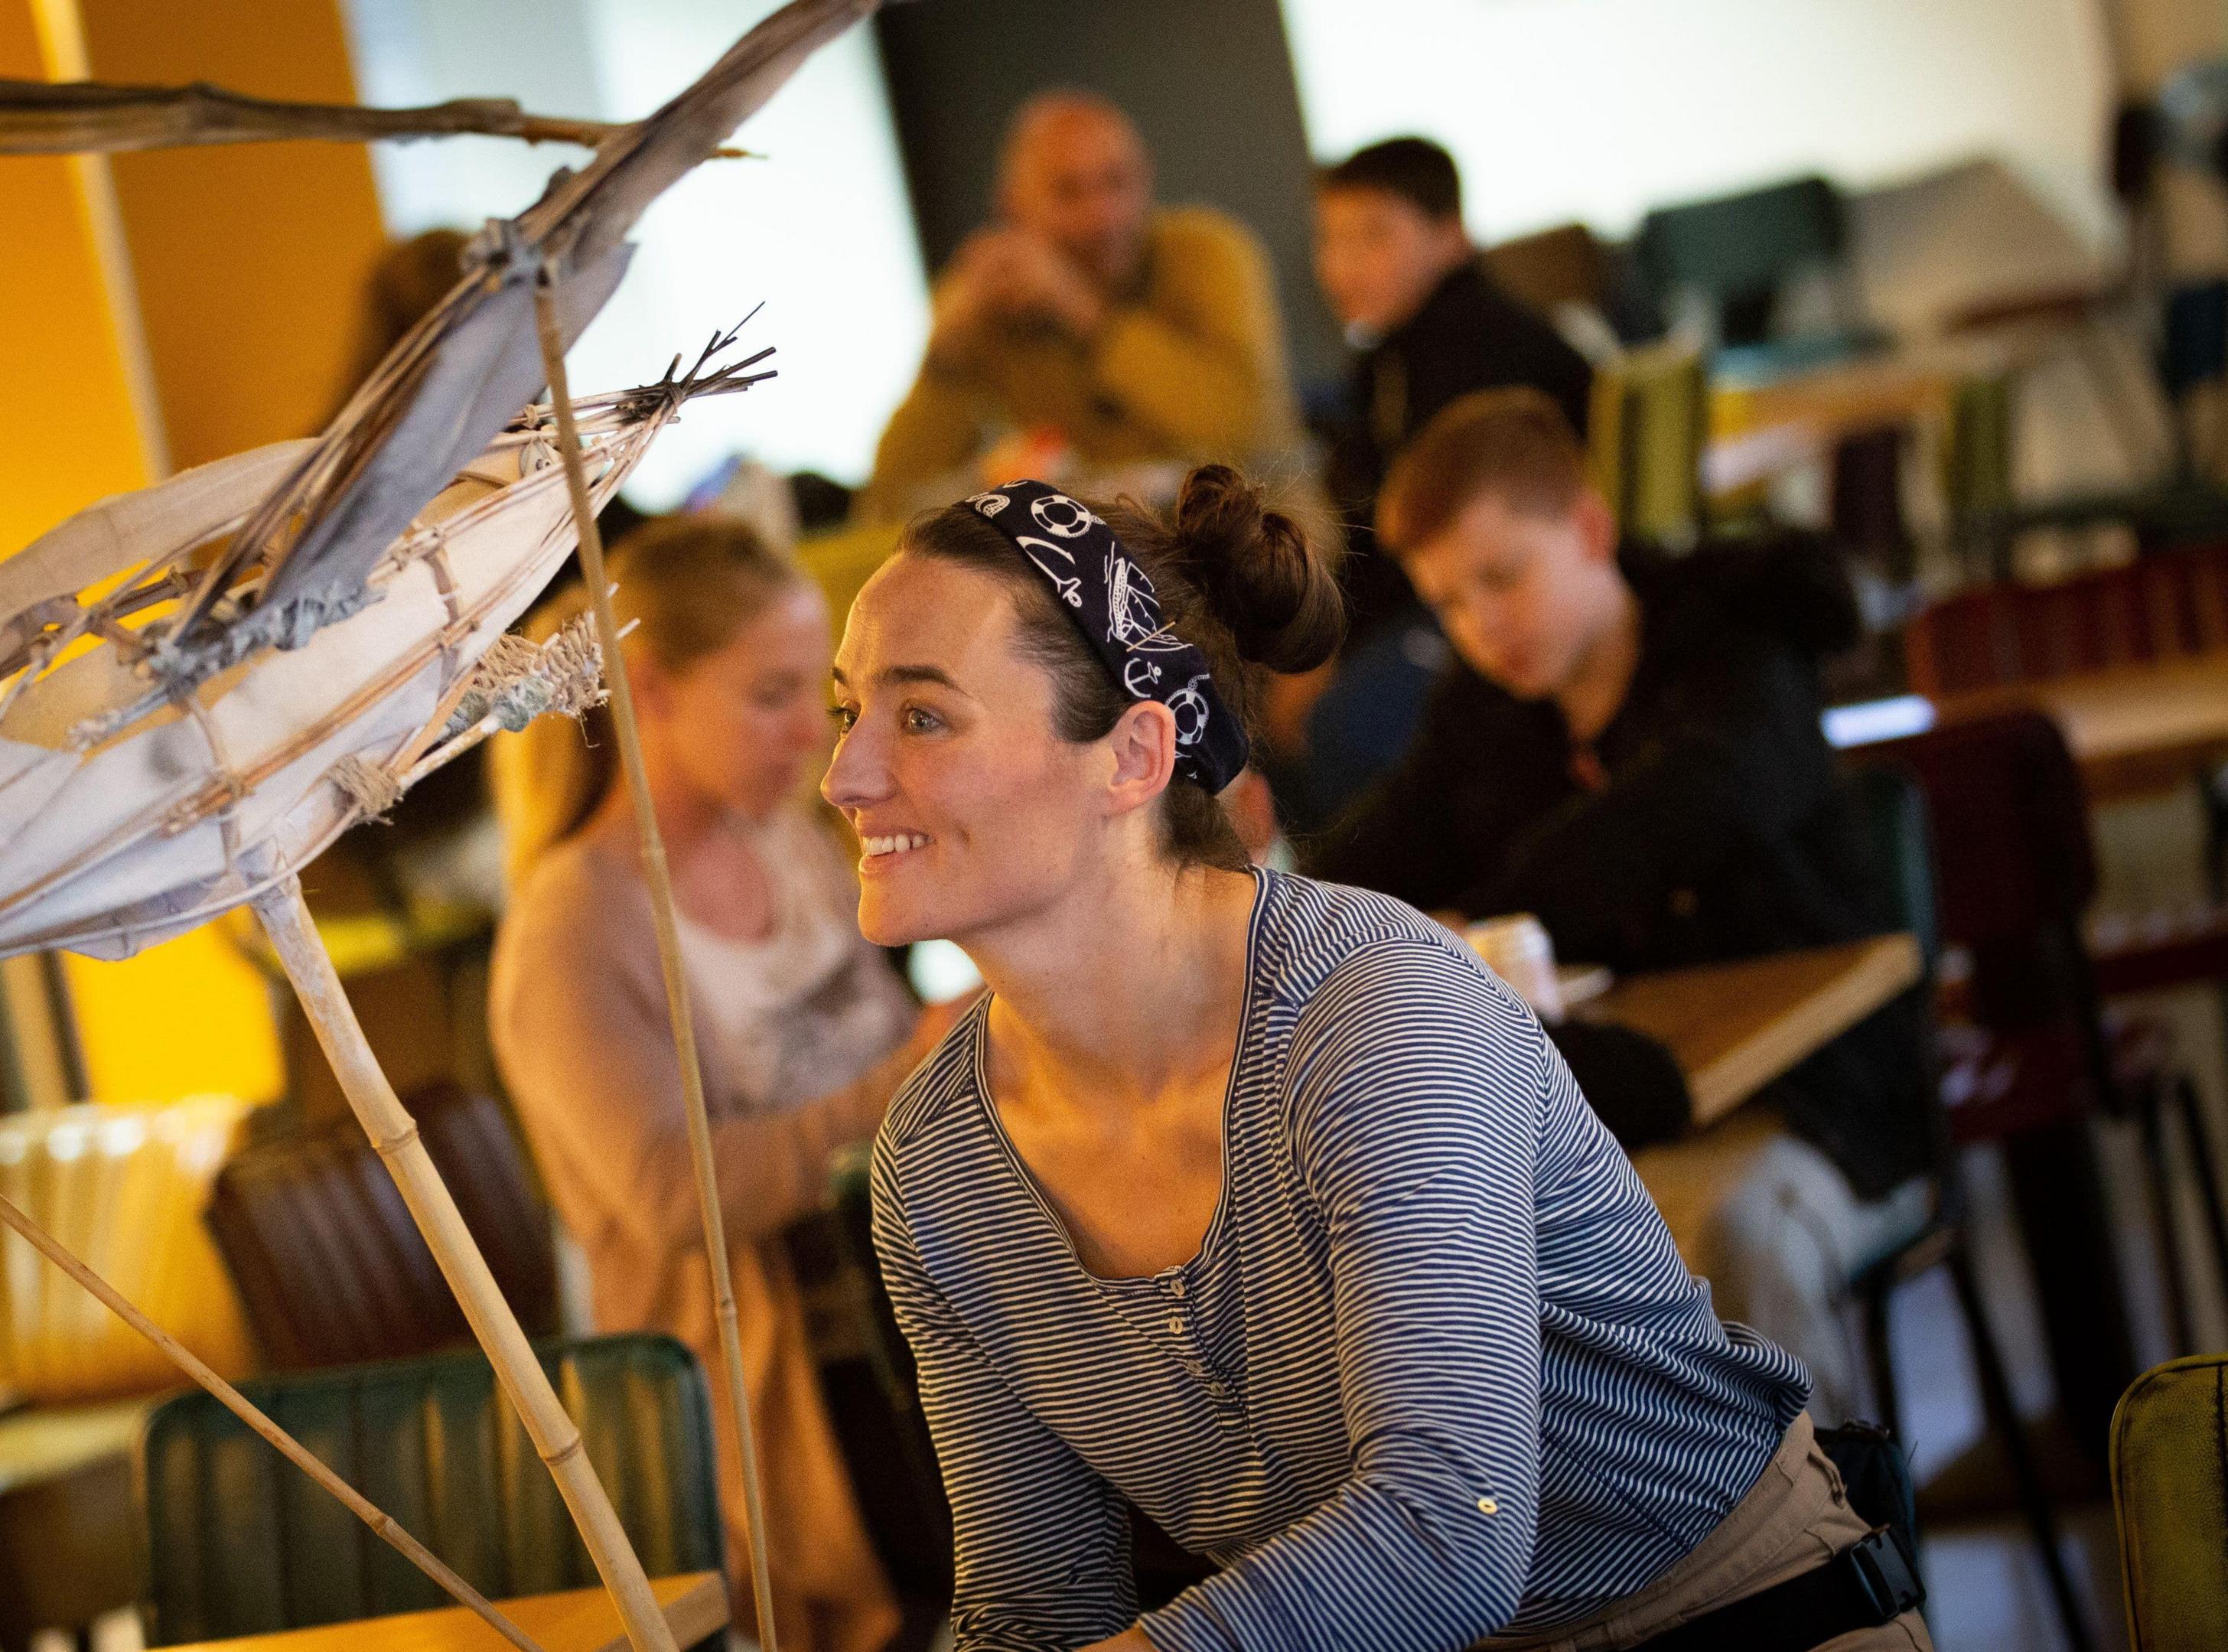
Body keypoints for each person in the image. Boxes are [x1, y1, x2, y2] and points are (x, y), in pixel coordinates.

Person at [826, 467, 1927, 1650]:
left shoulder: (1371, 1016)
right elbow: (1035, 1606)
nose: (844, 778)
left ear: (1134, 758)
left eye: (922, 715)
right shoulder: (935, 1166)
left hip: (1734, 1615)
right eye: (847, 713)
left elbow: (1450, 1525)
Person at [1308, 389, 1940, 1422]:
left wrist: (1481, 920)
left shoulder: (1741, 645)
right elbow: (1377, 858)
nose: (1484, 627)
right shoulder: (1486, 713)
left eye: (1504, 577)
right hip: (1620, 1104)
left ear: (1592, 529)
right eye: (1452, 605)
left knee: (1729, 1231)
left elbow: (1686, 807)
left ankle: (1824, 1558)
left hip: (1822, 1098)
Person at [488, 517, 950, 1652]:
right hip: (779, 1392)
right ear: (650, 690)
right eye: (773, 695)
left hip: (893, 1315)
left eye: (823, 695)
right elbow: (677, 1198)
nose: (815, 734)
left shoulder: (787, 840)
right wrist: (914, 1068)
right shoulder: (575, 929)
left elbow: (902, 1067)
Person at [1278, 137, 1599, 829]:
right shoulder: (1390, 353)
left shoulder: (1472, 349)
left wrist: (1324, 658)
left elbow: (1416, 539)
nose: (1343, 265)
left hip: (1507, 591)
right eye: (1331, 239)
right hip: (1439, 593)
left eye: (1376, 235)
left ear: (1451, 238)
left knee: (1344, 729)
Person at [857, 90, 1308, 527]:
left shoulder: (1210, 253)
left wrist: (1085, 312)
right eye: (1069, 192)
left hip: (1257, 547)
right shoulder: (992, 297)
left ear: (1147, 178)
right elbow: (890, 503)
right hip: (1103, 559)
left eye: (1118, 182)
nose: (1103, 215)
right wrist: (945, 360)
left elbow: (1251, 432)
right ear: (1012, 206)